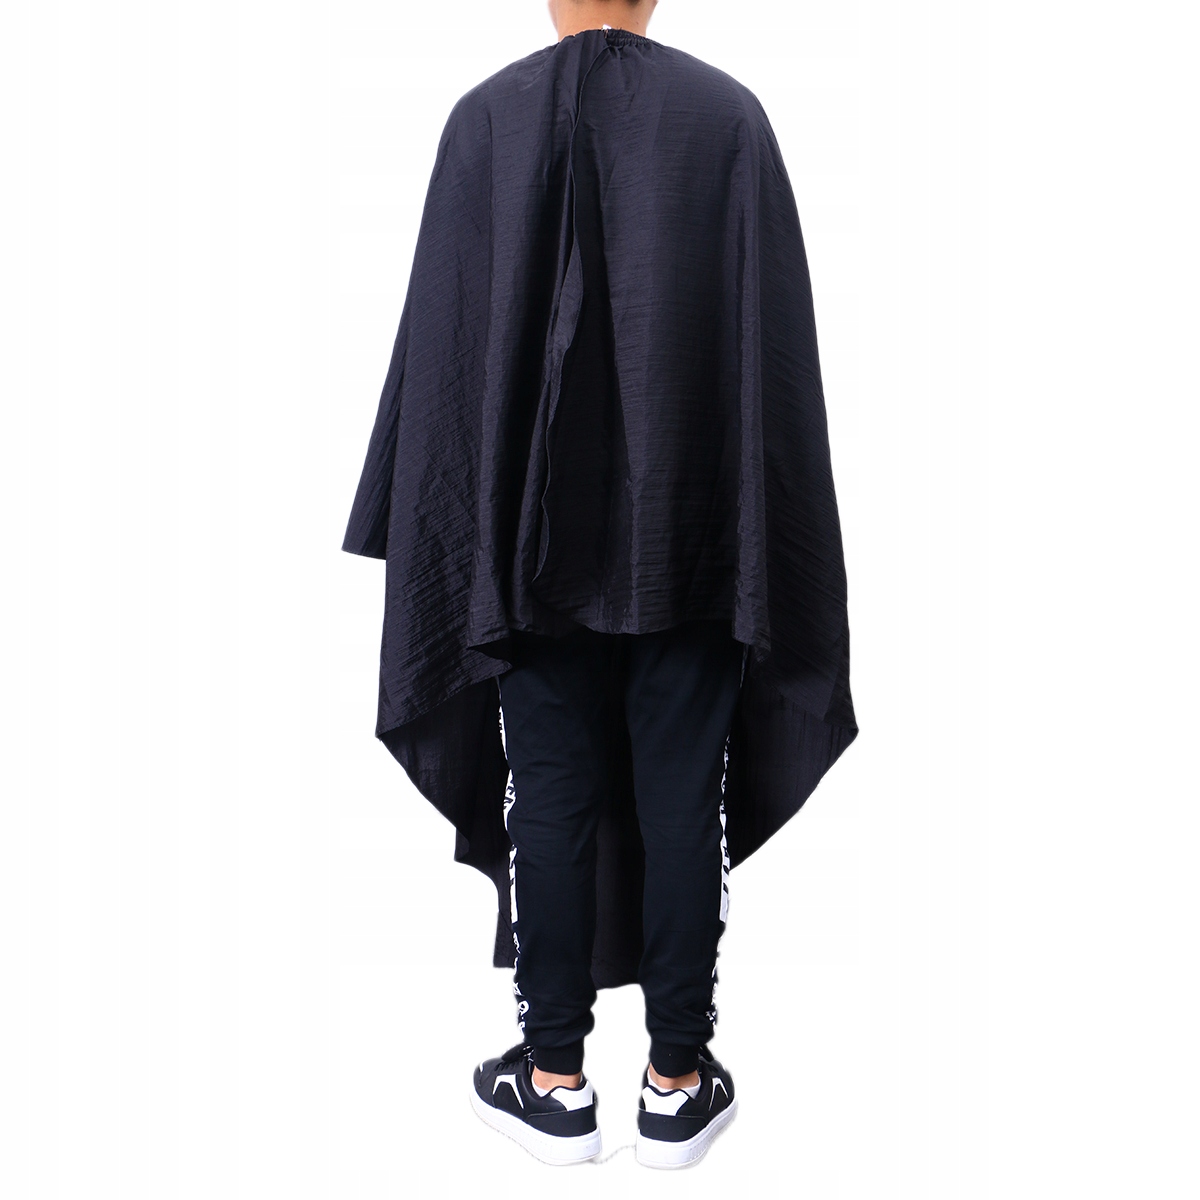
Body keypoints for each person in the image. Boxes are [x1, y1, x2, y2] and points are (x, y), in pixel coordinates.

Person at [341, 0, 858, 1169]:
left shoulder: (485, 121)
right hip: (694, 532)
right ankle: (678, 1080)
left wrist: (445, 526)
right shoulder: (730, 120)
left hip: (531, 543)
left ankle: (553, 1079)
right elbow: (768, 358)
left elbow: (450, 353)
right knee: (685, 794)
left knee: (552, 795)